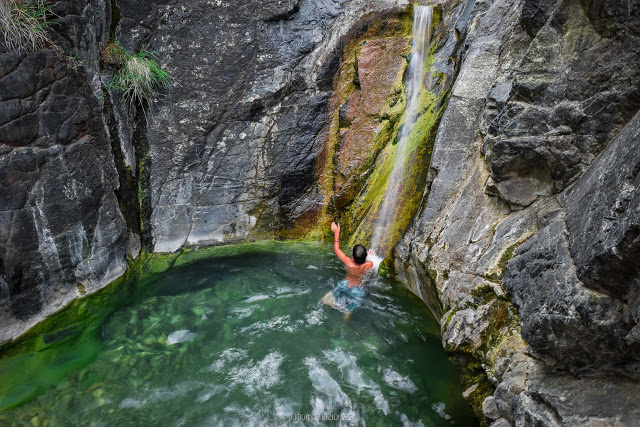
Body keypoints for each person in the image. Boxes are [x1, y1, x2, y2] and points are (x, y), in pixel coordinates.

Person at [321, 222, 376, 315]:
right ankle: (346, 315)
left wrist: (336, 233)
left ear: (352, 257)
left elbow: (337, 250)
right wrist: (371, 257)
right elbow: (371, 268)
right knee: (351, 308)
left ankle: (333, 305)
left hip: (345, 284)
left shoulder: (348, 262)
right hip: (358, 289)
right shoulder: (369, 264)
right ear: (365, 257)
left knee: (325, 300)